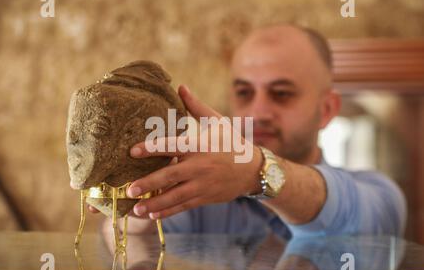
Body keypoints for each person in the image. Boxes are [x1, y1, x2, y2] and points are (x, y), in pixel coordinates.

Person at [94, 24, 407, 240]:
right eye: (244, 93)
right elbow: (136, 265)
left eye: (282, 94)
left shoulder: (380, 194)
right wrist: (134, 208)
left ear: (326, 110)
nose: (258, 112)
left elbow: (361, 222)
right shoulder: (199, 197)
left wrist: (255, 170)